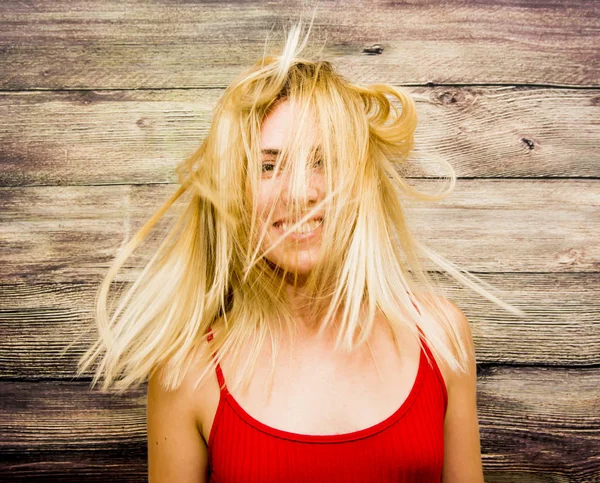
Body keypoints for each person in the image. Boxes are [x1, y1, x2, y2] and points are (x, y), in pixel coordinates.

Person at [71, 19, 524, 483]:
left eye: (323, 160)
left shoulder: (442, 335)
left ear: (361, 180)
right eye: (268, 166)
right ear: (234, 190)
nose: (300, 192)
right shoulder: (186, 371)